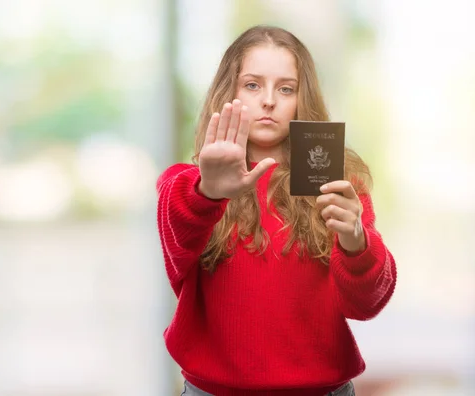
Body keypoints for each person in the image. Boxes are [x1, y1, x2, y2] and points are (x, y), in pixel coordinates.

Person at [155, 25, 397, 396]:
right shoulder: (185, 185)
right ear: (228, 92)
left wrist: (356, 240)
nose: (268, 100)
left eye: (286, 88)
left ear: (303, 99)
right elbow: (177, 244)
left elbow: (365, 305)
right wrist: (208, 193)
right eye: (252, 85)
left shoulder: (338, 186)